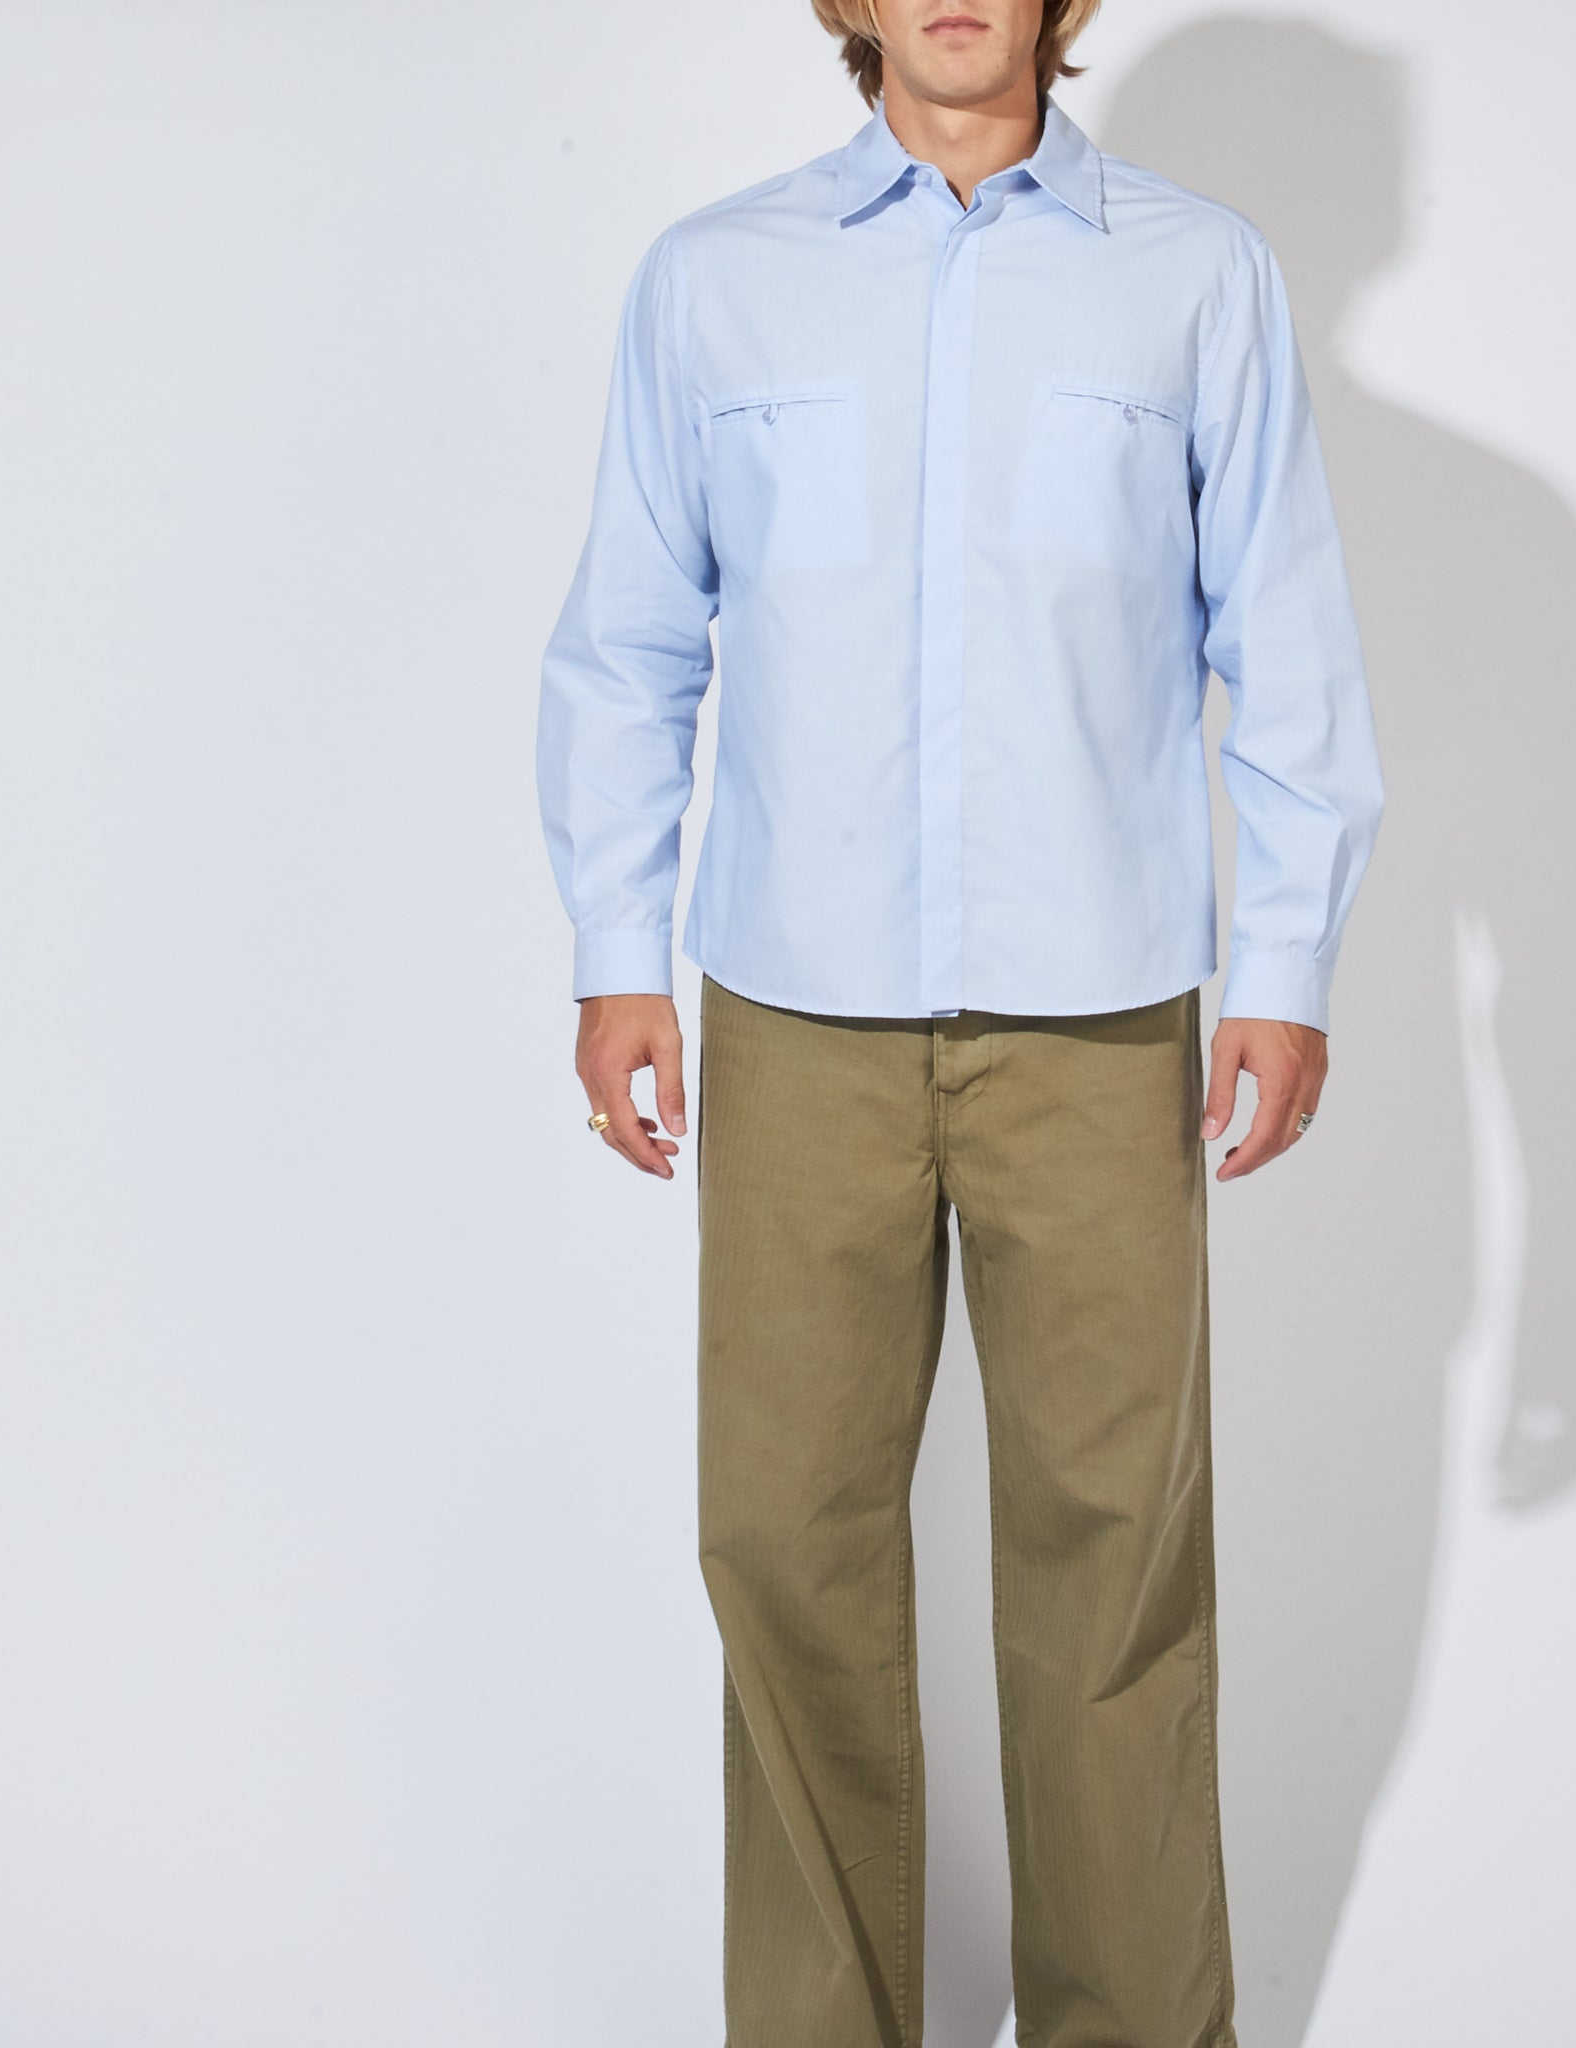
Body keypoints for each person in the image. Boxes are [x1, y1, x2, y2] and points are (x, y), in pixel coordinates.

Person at [535, 2, 1383, 2041]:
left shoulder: (1196, 275)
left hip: (1099, 1022)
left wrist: (1282, 969)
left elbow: (1283, 640)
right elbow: (630, 640)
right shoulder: (714, 279)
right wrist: (614, 946)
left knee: (1113, 1564)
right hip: (792, 1014)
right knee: (787, 1546)